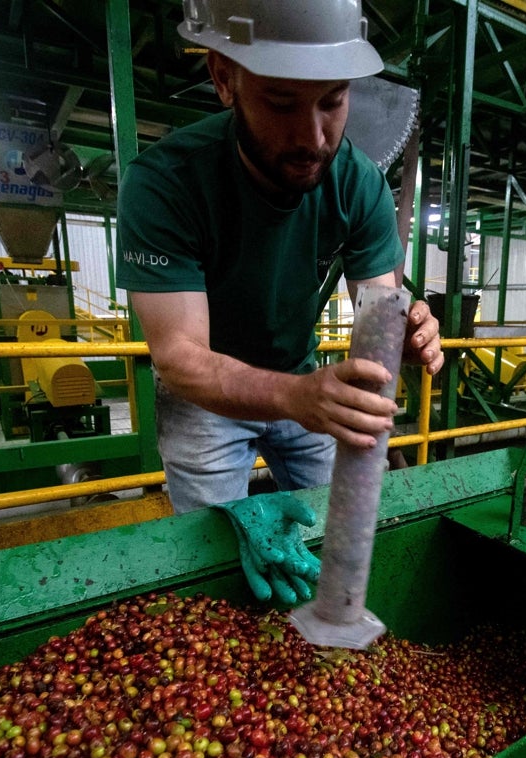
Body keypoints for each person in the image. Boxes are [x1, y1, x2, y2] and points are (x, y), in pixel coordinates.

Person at [116, 0, 443, 514]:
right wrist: (296, 397)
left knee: (355, 518)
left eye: (332, 102)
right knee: (214, 555)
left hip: (302, 378)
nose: (313, 139)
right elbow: (179, 356)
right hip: (204, 397)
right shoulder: (164, 185)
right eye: (282, 103)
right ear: (224, 78)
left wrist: (404, 331)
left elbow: (381, 309)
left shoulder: (360, 186)